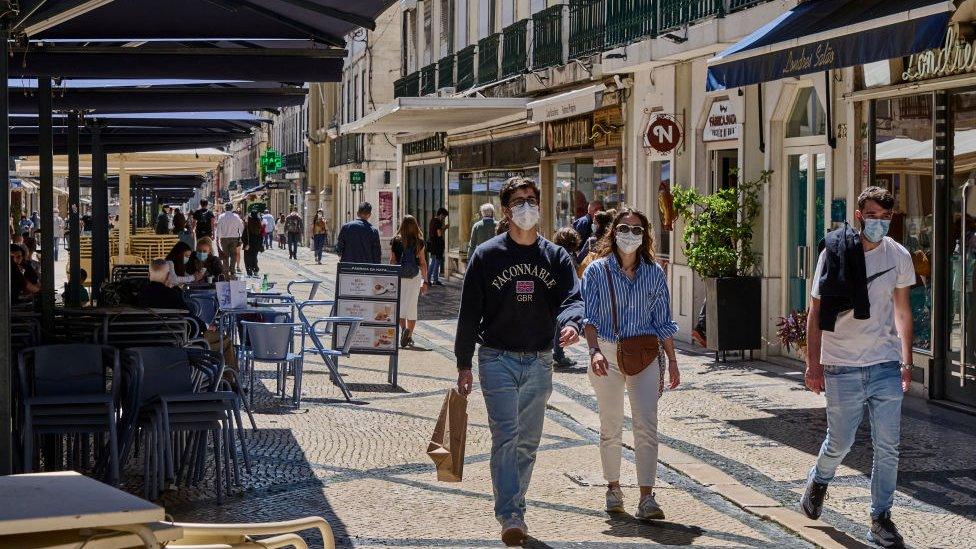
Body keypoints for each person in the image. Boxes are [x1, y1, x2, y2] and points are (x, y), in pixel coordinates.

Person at [454, 176, 583, 546]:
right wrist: (464, 363)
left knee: (528, 442)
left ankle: (516, 505)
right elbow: (468, 313)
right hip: (497, 358)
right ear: (507, 210)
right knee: (506, 436)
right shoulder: (488, 255)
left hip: (540, 360)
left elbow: (573, 297)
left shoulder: (555, 256)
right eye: (519, 201)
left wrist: (571, 323)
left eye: (532, 199)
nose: (527, 206)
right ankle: (511, 513)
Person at [801, 187, 915, 549]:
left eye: (885, 218)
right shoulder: (833, 252)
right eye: (873, 216)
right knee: (840, 442)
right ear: (858, 214)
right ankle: (819, 480)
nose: (879, 223)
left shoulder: (898, 255)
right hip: (841, 364)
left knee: (889, 447)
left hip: (883, 362)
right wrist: (813, 364)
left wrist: (906, 361)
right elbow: (816, 311)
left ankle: (880, 518)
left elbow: (902, 311)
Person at [581, 208, 680, 521]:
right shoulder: (597, 272)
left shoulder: (654, 273)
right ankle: (613, 489)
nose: (630, 234)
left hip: (645, 354)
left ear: (645, 236)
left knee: (646, 425)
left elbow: (663, 321)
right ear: (614, 232)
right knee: (610, 425)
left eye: (637, 230)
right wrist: (594, 350)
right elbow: (589, 317)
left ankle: (647, 497)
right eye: (624, 228)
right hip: (607, 354)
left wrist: (673, 360)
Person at [390, 215, 429, 348]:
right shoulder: (419, 242)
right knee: (412, 306)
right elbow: (423, 263)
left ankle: (403, 331)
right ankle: (410, 335)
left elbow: (392, 261)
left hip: (399, 276)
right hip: (414, 276)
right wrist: (425, 282)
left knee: (400, 305)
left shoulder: (395, 241)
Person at [552, 227, 582, 368]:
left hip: (556, 293)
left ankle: (556, 353)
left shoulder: (554, 254)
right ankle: (558, 354)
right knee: (560, 323)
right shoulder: (567, 257)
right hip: (564, 294)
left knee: (557, 323)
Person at [215, 203, 245, 275]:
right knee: (233, 255)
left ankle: (225, 270)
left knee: (225, 255)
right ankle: (232, 270)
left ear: (225, 208)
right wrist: (241, 236)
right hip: (234, 238)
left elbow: (218, 228)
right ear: (232, 208)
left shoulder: (221, 216)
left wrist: (217, 238)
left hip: (224, 238)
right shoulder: (236, 216)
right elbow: (241, 227)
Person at [427, 208, 448, 285]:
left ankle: (432, 279)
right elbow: (439, 234)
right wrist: (445, 228)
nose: (444, 218)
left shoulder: (432, 220)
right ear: (441, 215)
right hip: (437, 245)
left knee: (434, 262)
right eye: (444, 217)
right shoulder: (438, 222)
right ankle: (429, 279)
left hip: (433, 244)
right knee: (435, 263)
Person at [243, 211, 265, 277]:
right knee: (254, 257)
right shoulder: (259, 226)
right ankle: (255, 269)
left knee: (247, 258)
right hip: (256, 244)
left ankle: (249, 270)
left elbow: (244, 236)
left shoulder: (247, 226)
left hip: (248, 244)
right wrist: (260, 244)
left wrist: (244, 242)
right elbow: (261, 236)